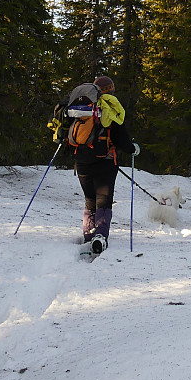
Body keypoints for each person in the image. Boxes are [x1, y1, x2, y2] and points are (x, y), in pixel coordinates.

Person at [73, 75, 139, 253]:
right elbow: (121, 139)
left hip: (82, 160)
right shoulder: (110, 109)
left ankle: (88, 234)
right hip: (105, 161)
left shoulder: (81, 108)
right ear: (110, 90)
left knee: (89, 199)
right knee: (104, 200)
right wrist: (133, 149)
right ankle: (100, 235)